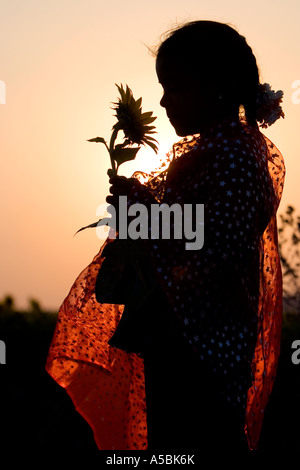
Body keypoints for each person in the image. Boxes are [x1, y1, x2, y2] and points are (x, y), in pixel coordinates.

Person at [46, 20, 285, 456]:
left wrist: (147, 215)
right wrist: (143, 211)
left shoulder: (232, 157)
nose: (162, 100)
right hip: (183, 340)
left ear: (216, 87)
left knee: (195, 445)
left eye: (174, 87)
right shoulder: (218, 151)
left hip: (200, 348)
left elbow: (217, 246)